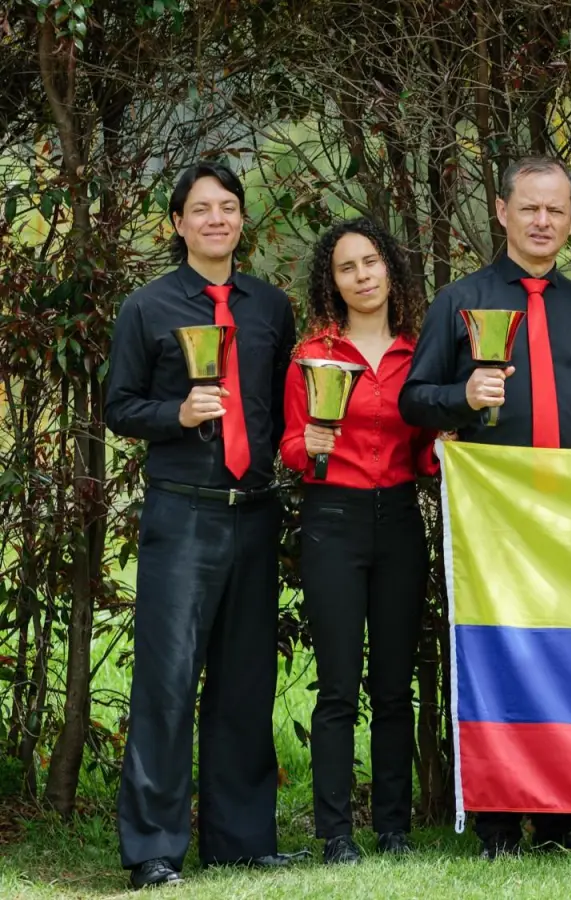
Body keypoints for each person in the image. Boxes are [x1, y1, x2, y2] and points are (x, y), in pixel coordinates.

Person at [400, 155, 571, 858]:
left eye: (556, 210)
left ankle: (562, 821)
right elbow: (412, 398)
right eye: (529, 208)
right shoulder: (459, 299)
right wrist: (462, 397)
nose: (542, 221)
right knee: (498, 666)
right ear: (501, 212)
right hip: (492, 522)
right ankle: (498, 823)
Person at [106, 162, 299, 888]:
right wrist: (176, 415)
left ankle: (241, 841)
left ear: (241, 220)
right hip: (181, 510)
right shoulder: (148, 308)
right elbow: (119, 407)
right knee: (166, 681)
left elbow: (280, 408)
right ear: (178, 223)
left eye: (228, 207)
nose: (216, 219)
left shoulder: (270, 308)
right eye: (200, 209)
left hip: (253, 511)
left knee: (245, 680)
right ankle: (153, 847)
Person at [281, 219, 436, 864]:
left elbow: (427, 447)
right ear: (333, 280)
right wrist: (307, 448)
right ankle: (336, 832)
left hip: (401, 521)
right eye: (348, 267)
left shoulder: (419, 353)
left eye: (372, 262)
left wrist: (444, 453)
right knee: (340, 685)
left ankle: (395, 828)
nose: (363, 275)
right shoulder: (311, 356)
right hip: (332, 521)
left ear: (390, 269)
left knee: (396, 683)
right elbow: (288, 443)